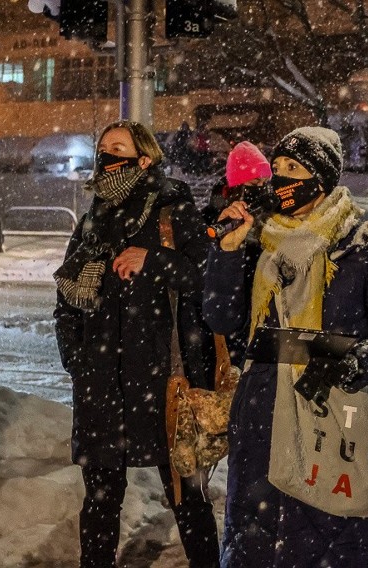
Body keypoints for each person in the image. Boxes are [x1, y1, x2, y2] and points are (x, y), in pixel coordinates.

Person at [203, 126, 368, 567]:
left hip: (330, 411)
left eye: (293, 169)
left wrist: (348, 363)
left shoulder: (363, 239)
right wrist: (226, 251)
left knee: (325, 537)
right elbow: (221, 320)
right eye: (277, 168)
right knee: (256, 540)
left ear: (320, 178)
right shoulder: (259, 239)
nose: (280, 179)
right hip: (262, 410)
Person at [53, 120, 219, 568]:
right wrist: (76, 358)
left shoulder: (173, 211)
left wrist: (156, 260)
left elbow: (208, 280)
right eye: (103, 147)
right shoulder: (93, 221)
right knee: (101, 502)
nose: (107, 155)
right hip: (101, 384)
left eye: (118, 148)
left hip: (164, 380)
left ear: (144, 159)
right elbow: (66, 298)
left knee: (187, 496)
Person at [202, 141, 272, 367]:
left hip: (263, 337)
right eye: (254, 182)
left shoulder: (274, 226)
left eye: (265, 182)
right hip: (222, 341)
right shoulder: (212, 223)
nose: (261, 187)